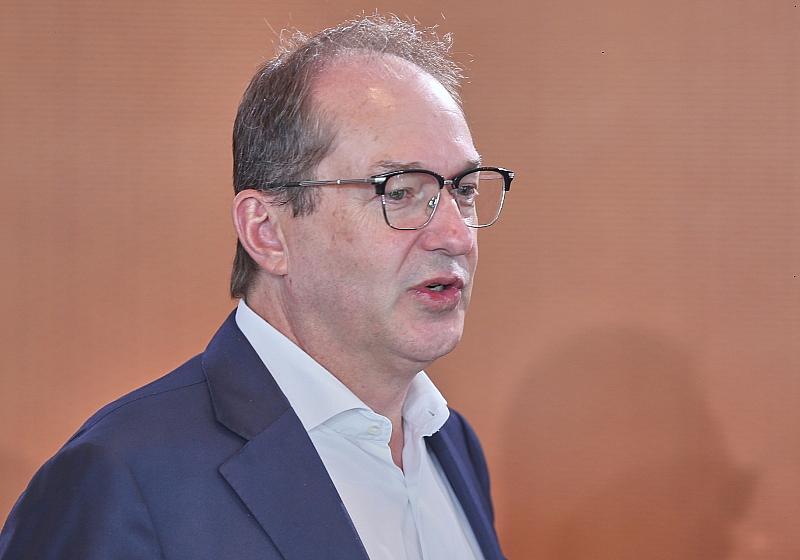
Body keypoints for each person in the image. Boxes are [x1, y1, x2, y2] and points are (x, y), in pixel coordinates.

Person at [0, 14, 512, 560]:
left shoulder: (449, 442)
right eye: (399, 191)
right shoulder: (121, 478)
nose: (456, 235)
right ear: (267, 232)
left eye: (463, 190)